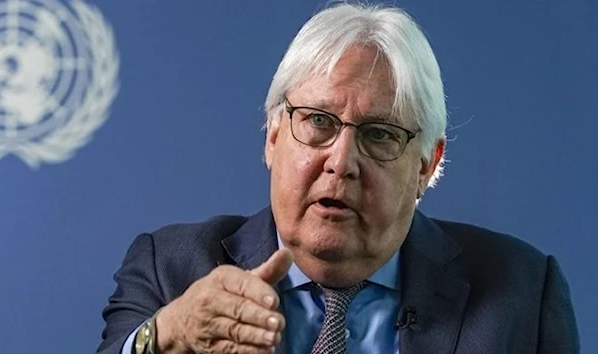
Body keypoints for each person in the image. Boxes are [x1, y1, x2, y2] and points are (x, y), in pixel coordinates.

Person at [96, 3, 579, 354]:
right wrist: (165, 337)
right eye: (318, 122)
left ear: (426, 165)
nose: (341, 161)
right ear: (272, 134)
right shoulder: (172, 269)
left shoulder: (521, 292)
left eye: (380, 135)